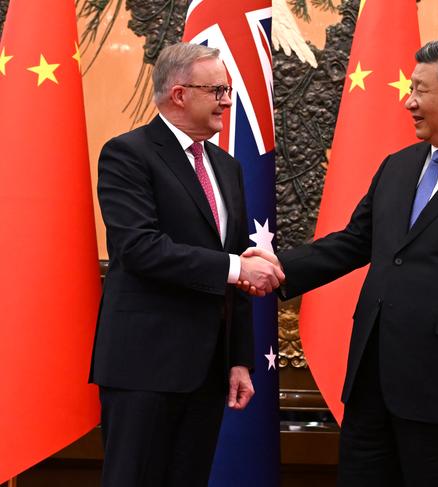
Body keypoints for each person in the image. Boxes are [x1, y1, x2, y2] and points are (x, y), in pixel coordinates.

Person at [243, 38, 438, 486]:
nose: (409, 102)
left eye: (421, 90)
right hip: (373, 381)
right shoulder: (398, 166)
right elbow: (353, 243)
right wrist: (278, 268)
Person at [89, 43, 284, 487]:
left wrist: (238, 360)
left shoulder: (227, 167)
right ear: (179, 94)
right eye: (218, 90)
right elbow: (139, 248)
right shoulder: (127, 154)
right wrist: (236, 268)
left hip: (207, 370)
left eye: (228, 90)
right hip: (144, 366)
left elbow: (235, 260)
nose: (227, 101)